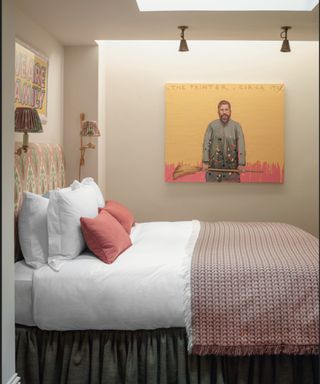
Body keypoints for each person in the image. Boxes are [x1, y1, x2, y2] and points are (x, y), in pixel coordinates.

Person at [202, 100, 246, 182]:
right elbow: (206, 144)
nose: (224, 112)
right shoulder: (212, 126)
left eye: (226, 109)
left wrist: (241, 163)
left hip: (232, 171)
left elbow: (241, 145)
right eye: (222, 110)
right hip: (214, 170)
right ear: (218, 111)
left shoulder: (236, 126)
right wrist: (205, 161)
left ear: (230, 111)